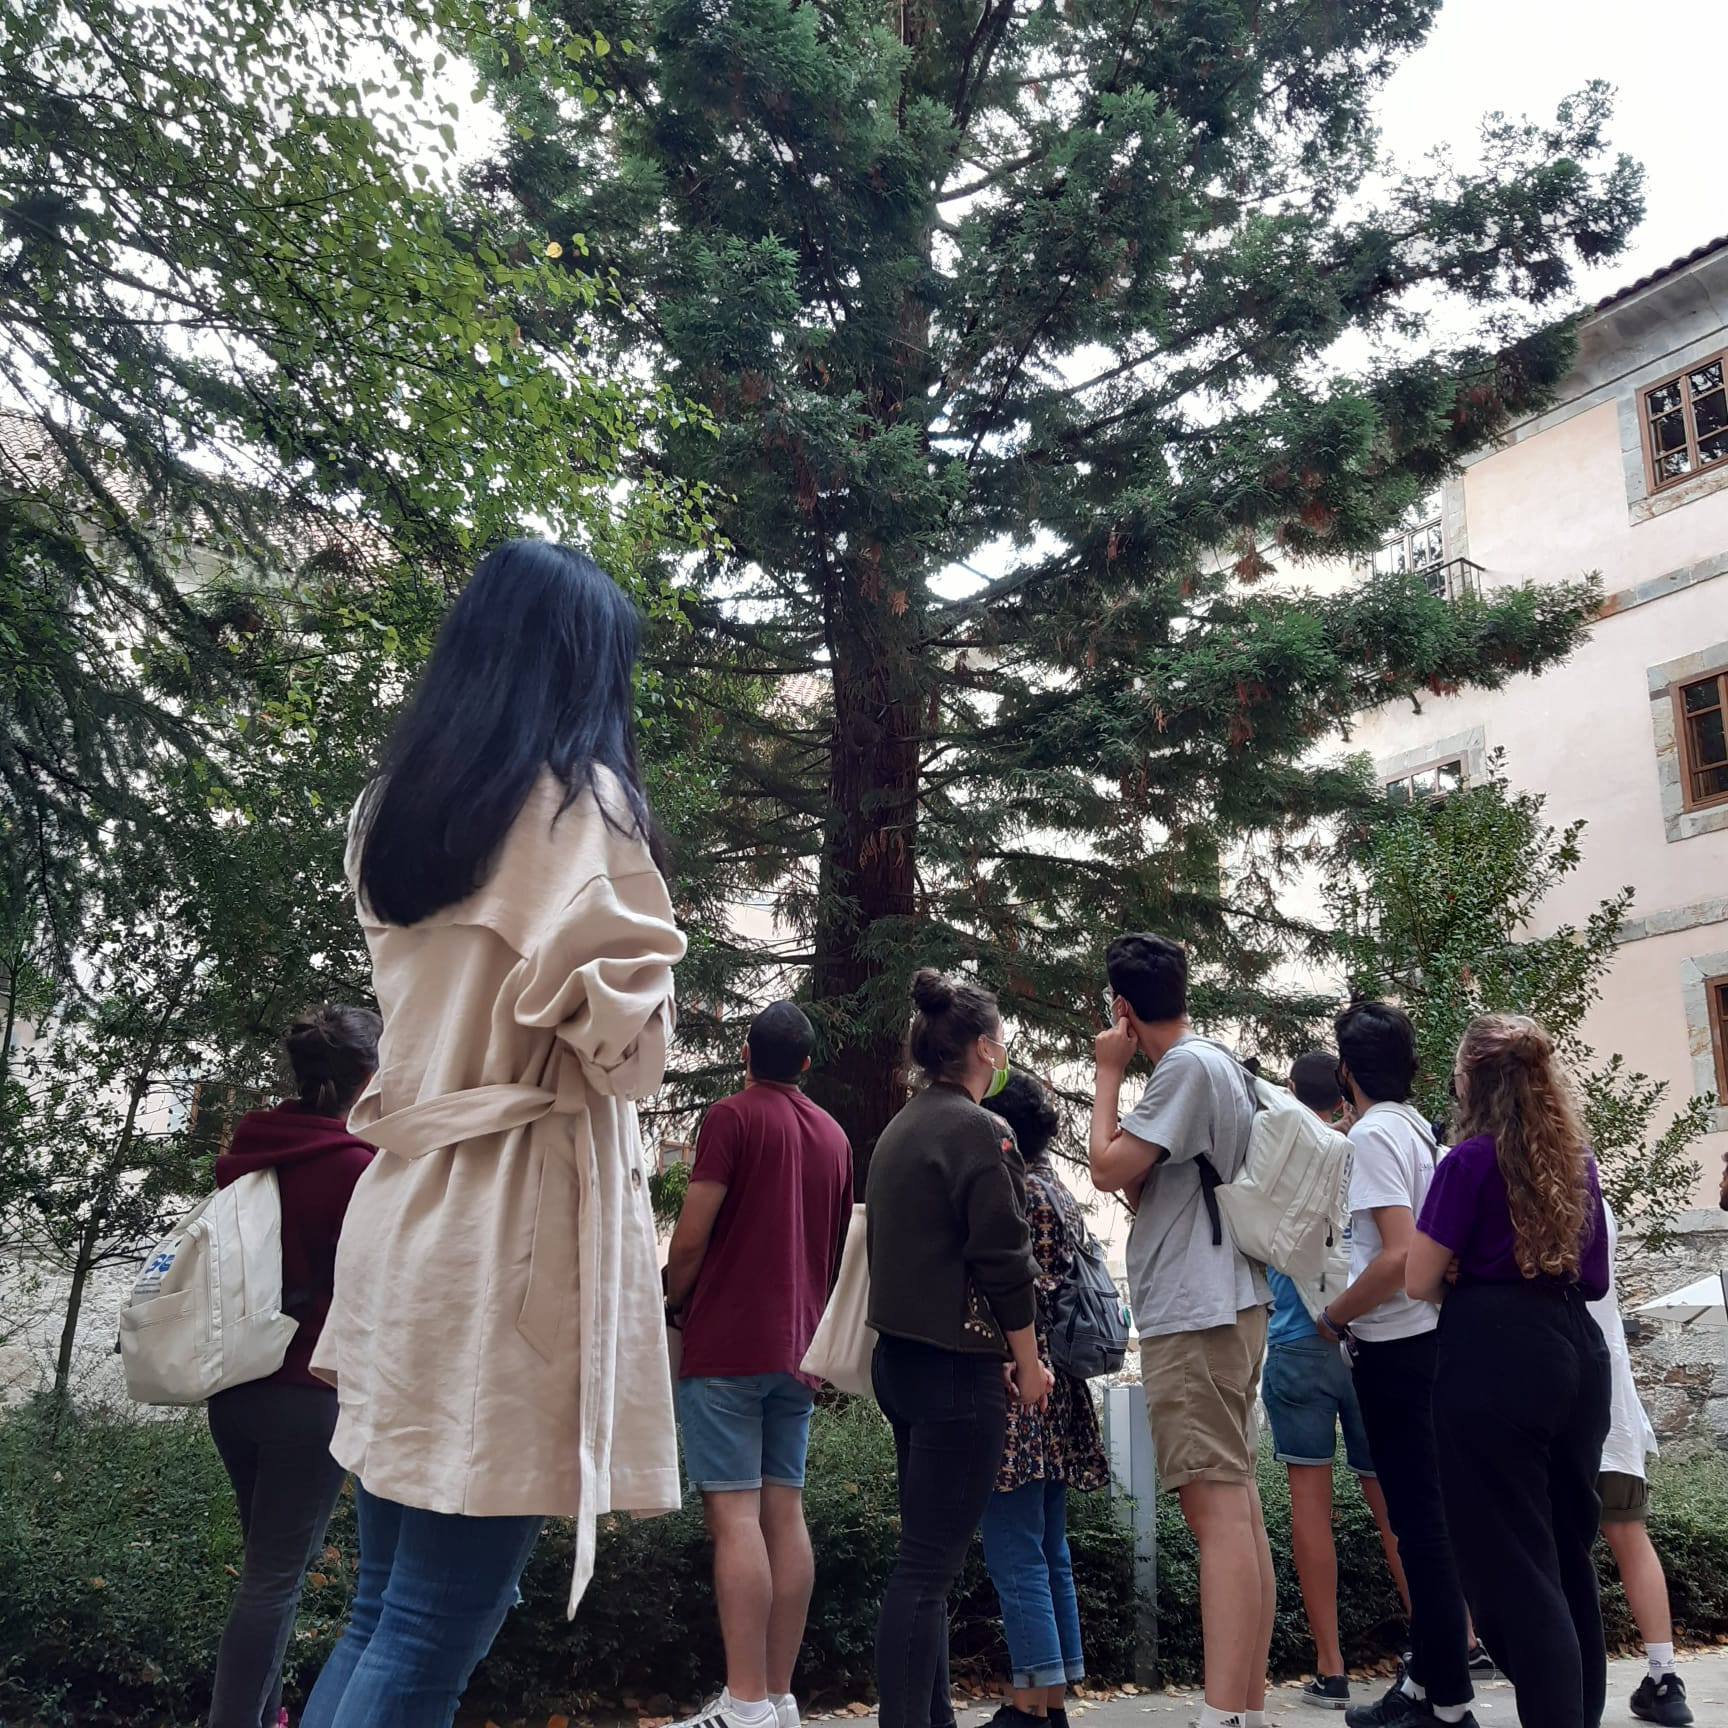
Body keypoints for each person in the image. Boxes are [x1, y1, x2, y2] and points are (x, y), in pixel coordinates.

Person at [301, 541, 686, 1728]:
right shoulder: (578, 808)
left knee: (380, 1605)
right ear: (583, 671)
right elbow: (628, 1053)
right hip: (513, 1231)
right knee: (432, 1623)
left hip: (410, 1212)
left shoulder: (395, 810)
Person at [1089, 933, 1275, 1728]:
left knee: (1217, 1512)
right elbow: (1153, 1183)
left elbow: (1102, 1165)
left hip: (1198, 1306)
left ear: (1123, 1008)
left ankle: (1222, 1713)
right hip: (1228, 1297)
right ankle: (1247, 1706)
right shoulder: (1219, 1064)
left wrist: (1105, 1072)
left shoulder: (1186, 1068)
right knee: (1236, 1507)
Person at [1407, 1013, 1611, 1728]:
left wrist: (1461, 1267)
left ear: (1472, 1078)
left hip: (1495, 1353)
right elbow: (1594, 1280)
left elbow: (1417, 1278)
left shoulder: (1466, 1162)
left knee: (1513, 1573)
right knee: (1565, 1555)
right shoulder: (1574, 1162)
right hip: (1577, 1351)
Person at [867, 969, 1052, 1728]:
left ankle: (932, 1717)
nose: (1003, 1049)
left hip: (901, 1361)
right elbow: (1004, 1259)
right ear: (981, 1047)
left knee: (925, 1564)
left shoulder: (904, 1124)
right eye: (999, 1037)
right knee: (927, 1572)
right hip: (954, 1369)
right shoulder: (982, 1131)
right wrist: (1030, 1360)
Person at [663, 1001, 853, 1728]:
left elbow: (692, 1235)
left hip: (727, 1345)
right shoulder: (834, 1137)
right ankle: (777, 1697)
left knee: (734, 1516)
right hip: (798, 1349)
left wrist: (675, 1299)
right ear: (805, 1062)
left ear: (747, 1053)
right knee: (784, 1511)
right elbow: (832, 1248)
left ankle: (741, 1704)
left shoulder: (731, 1119)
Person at [206, 1007, 380, 1728]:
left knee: (264, 1573)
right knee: (274, 1581)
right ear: (367, 1080)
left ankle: (267, 1713)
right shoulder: (357, 1170)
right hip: (308, 1394)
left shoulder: (250, 1150)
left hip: (233, 1387)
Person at [1316, 1003, 1474, 1728]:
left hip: (1397, 1348)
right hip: (1430, 1341)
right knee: (1427, 1522)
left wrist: (1335, 1314)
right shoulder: (1413, 1127)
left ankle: (1446, 1703)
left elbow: (1397, 1254)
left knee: (1422, 1529)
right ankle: (1426, 1684)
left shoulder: (1377, 1133)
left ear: (1347, 1071)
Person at [1259, 1051, 1409, 1712]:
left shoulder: (1282, 1164)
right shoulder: (1366, 1150)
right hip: (1367, 1332)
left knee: (1309, 1506)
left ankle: (1331, 1666)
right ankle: (1453, 1638)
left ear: (1293, 1094)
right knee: (1396, 1502)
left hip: (1298, 1343)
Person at [978, 1069, 1109, 1728]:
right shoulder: (1059, 1189)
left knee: (1014, 1547)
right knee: (1048, 1547)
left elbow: (1011, 1289)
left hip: (1021, 1383)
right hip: (1062, 1392)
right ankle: (1052, 1698)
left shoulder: (1016, 1193)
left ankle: (1030, 1705)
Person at [1588, 1200, 1693, 1726]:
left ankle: (1564, 1675)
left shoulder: (1506, 1180)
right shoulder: (1594, 1195)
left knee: (1546, 1543)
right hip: (1612, 1400)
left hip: (1543, 1388)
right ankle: (1664, 1675)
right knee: (1629, 1535)